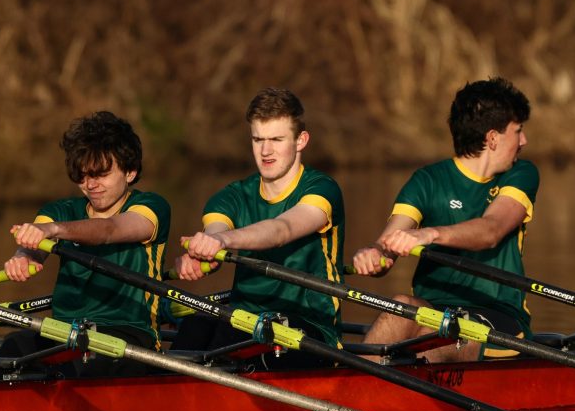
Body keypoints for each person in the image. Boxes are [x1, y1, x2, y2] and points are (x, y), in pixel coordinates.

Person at [351, 77, 535, 363]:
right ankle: (346, 385)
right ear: (492, 138)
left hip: (498, 319)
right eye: (518, 131)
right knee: (400, 305)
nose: (524, 141)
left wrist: (430, 234)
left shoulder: (521, 174)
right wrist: (373, 254)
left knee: (431, 334)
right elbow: (387, 245)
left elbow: (492, 230)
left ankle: (366, 381)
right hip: (434, 309)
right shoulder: (427, 181)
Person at [174, 88, 345, 367]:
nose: (265, 151)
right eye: (258, 139)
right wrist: (202, 250)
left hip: (311, 330)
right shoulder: (233, 195)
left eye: (276, 139)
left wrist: (223, 241)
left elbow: (281, 230)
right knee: (196, 324)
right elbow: (216, 229)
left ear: (301, 140)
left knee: (237, 337)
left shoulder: (322, 189)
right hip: (244, 319)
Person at [2, 111, 171, 376]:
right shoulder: (61, 210)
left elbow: (110, 229)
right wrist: (22, 257)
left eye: (101, 174)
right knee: (13, 347)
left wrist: (54, 230)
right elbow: (36, 245)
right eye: (82, 176)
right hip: (66, 331)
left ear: (130, 172)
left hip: (129, 335)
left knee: (79, 366)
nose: (91, 185)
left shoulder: (151, 207)